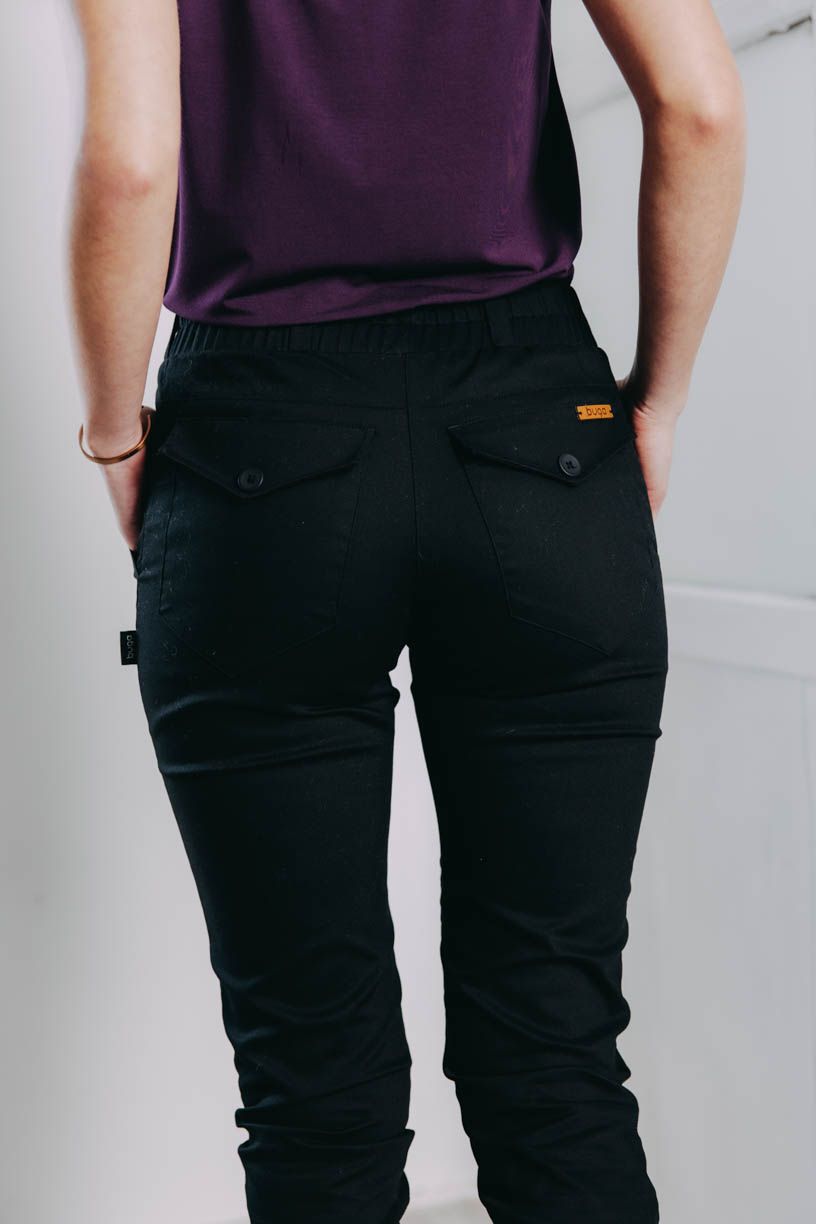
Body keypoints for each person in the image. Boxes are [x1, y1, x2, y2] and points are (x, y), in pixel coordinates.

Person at [68, 2, 745, 1221]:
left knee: (312, 1089)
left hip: (258, 446)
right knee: (557, 1056)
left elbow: (129, 162)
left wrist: (117, 435)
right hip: (539, 431)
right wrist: (660, 399)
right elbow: (698, 106)